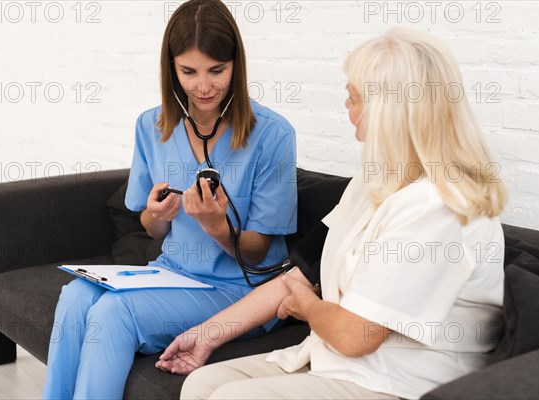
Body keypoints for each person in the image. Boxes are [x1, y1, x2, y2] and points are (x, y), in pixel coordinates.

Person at [157, 27, 508, 400]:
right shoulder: (372, 183)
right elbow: (297, 276)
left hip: (401, 383)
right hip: (337, 361)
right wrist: (205, 335)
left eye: (353, 97)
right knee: (201, 384)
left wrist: (309, 308)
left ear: (387, 111)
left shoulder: (440, 205)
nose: (346, 107)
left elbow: (356, 336)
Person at [41, 0, 297, 398]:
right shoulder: (152, 125)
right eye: (188, 72)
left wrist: (217, 229)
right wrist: (157, 215)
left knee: (113, 313)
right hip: (171, 272)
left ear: (236, 66)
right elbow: (150, 225)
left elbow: (257, 252)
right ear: (171, 68)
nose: (204, 86)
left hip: (238, 291)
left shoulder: (273, 135)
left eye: (217, 70)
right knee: (75, 295)